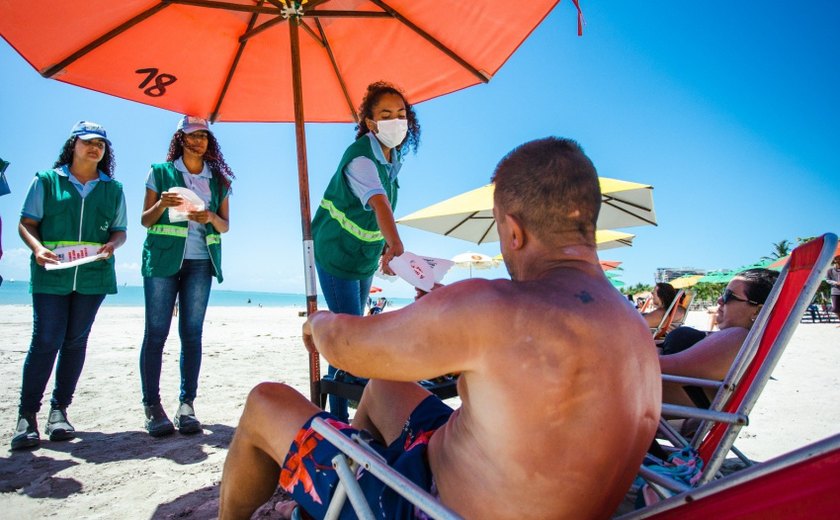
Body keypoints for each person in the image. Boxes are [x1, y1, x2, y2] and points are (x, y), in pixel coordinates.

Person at [218, 137, 661, 519]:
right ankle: (352, 481)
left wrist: (318, 322)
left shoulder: (494, 306)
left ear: (513, 231)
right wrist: (443, 317)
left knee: (264, 401)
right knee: (384, 387)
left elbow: (346, 347)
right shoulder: (632, 326)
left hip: (427, 508)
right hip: (513, 492)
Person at [12, 121, 126, 450]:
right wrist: (37, 249)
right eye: (88, 142)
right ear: (73, 144)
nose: (95, 148)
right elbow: (27, 223)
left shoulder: (113, 188)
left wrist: (113, 246)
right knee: (46, 340)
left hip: (93, 277)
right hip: (52, 275)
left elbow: (120, 230)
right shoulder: (47, 181)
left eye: (101, 144)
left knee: (75, 342)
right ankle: (26, 417)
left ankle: (59, 412)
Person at [311, 81, 420, 421]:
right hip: (336, 253)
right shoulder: (361, 157)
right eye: (385, 115)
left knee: (347, 341)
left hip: (361, 257)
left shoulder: (392, 157)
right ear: (371, 123)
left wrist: (385, 249)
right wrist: (397, 245)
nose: (395, 120)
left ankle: (335, 418)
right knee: (349, 340)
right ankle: (341, 421)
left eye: (401, 114)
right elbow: (379, 203)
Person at [139, 116, 233, 437]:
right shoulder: (160, 172)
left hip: (200, 264)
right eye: (192, 136)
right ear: (180, 139)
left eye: (204, 136)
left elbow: (225, 226)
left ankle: (186, 405)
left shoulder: (218, 181)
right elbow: (145, 221)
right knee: (156, 334)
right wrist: (163, 204)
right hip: (162, 262)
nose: (198, 141)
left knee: (191, 335)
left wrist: (209, 216)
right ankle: (152, 406)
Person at [659, 268, 779, 408]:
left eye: (729, 296)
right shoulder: (737, 339)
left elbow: (665, 367)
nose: (719, 299)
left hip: (646, 403)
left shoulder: (737, 338)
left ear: (757, 310)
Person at [826, 255, 840, 325]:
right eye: (838, 259)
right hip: (835, 291)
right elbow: (827, 280)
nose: (839, 260)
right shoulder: (830, 270)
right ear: (835, 260)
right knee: (835, 309)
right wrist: (836, 283)